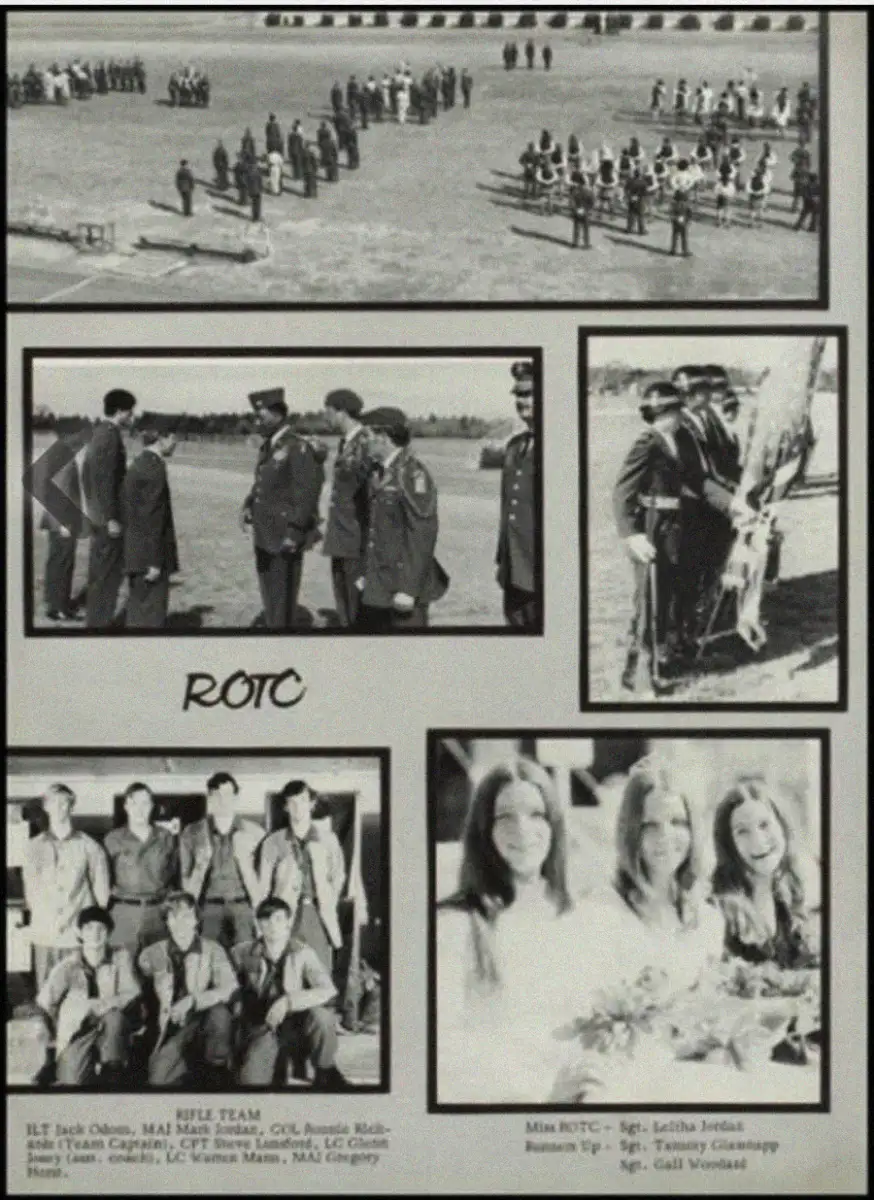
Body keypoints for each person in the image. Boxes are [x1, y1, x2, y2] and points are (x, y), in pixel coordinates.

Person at [435, 758, 614, 1105]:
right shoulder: (455, 924)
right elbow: (444, 1048)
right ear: (484, 830)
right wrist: (541, 1096)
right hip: (508, 1102)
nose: (522, 829)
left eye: (535, 814)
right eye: (505, 817)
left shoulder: (578, 917)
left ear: (554, 824)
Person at [589, 757, 724, 990]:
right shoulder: (603, 912)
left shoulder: (708, 918)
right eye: (650, 824)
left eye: (677, 822)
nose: (665, 835)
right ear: (631, 833)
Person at [612, 382, 688, 694]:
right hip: (652, 527)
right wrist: (632, 534)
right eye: (676, 411)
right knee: (648, 601)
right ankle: (641, 676)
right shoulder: (648, 443)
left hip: (671, 527)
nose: (680, 416)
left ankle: (650, 665)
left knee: (662, 599)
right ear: (665, 413)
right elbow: (622, 493)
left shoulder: (672, 441)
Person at [233, 897, 347, 1088]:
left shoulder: (303, 952)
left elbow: (327, 989)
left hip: (297, 1024)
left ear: (288, 922)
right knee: (250, 1081)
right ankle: (276, 1063)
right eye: (266, 920)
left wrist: (288, 1002)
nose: (272, 925)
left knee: (323, 1018)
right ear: (258, 924)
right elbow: (230, 991)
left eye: (278, 919)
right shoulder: (241, 952)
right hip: (263, 1025)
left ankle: (324, 1069)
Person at [353, 407, 449, 630]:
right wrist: (366, 573)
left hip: (403, 588)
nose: (363, 442)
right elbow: (376, 530)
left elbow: (422, 536)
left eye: (366, 436)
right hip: (380, 581)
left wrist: (408, 590)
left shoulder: (412, 474)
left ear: (384, 437)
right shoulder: (378, 472)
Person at [711, 778, 820, 970]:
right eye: (742, 831)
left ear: (783, 827)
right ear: (730, 844)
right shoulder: (720, 910)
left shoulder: (796, 895)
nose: (758, 841)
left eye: (764, 825)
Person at [240, 387, 324, 629]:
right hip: (265, 533)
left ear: (278, 414)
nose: (258, 421)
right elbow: (265, 484)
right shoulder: (270, 446)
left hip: (284, 536)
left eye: (262, 415)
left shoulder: (297, 447)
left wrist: (295, 533)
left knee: (282, 599)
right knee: (270, 594)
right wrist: (248, 504)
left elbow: (306, 494)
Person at [138, 892, 236, 1087]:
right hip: (173, 1023)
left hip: (203, 1020)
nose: (181, 922)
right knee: (159, 1080)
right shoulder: (151, 954)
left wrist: (193, 1000)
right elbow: (145, 997)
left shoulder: (213, 949)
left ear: (196, 920)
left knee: (220, 1013)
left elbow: (229, 987)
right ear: (166, 921)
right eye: (174, 916)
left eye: (187, 916)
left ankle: (217, 1067)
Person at [35, 906, 140, 1086]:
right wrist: (55, 1033)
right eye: (89, 929)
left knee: (114, 1018)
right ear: (80, 932)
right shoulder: (67, 966)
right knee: (74, 1081)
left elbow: (132, 993)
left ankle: (113, 1072)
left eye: (101, 929)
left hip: (109, 1029)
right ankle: (64, 1064)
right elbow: (45, 1003)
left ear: (108, 934)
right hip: (78, 1031)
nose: (95, 934)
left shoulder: (120, 958)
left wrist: (104, 1004)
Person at [23, 783, 111, 987]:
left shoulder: (89, 846)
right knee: (45, 992)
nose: (60, 808)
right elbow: (32, 893)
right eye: (54, 803)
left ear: (72, 807)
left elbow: (102, 897)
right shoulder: (33, 847)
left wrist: (87, 929)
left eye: (65, 803)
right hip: (45, 935)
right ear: (46, 807)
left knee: (77, 992)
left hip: (76, 937)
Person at [258, 779, 345, 973]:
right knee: (288, 971)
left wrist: (328, 901)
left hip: (317, 915)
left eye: (303, 801)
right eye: (293, 802)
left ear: (312, 804)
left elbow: (338, 877)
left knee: (320, 971)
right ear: (286, 807)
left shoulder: (328, 840)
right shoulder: (273, 842)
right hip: (284, 917)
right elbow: (263, 887)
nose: (299, 807)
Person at [179, 772, 264, 949]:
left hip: (243, 907)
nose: (223, 801)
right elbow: (185, 883)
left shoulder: (255, 833)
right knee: (207, 958)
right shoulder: (192, 833)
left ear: (236, 797)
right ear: (209, 798)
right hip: (208, 908)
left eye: (228, 795)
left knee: (246, 959)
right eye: (216, 795)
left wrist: (259, 913)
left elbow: (263, 882)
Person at [81, 388, 136, 628]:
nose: (131, 416)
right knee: (107, 576)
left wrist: (94, 508)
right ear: (120, 411)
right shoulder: (110, 436)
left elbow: (87, 475)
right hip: (107, 521)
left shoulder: (99, 433)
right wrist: (111, 517)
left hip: (97, 516)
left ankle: (96, 621)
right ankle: (99, 625)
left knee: (99, 574)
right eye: (129, 411)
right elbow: (105, 480)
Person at [104, 782, 180, 955]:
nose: (140, 809)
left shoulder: (165, 837)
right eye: (134, 803)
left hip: (158, 913)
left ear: (152, 806)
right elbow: (103, 879)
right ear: (126, 806)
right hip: (124, 913)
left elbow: (174, 874)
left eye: (145, 803)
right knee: (123, 968)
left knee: (160, 968)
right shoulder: (113, 839)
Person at [321, 389, 371, 627]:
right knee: (344, 604)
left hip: (356, 539)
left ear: (341, 412)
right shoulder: (347, 443)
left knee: (356, 607)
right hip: (343, 536)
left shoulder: (364, 443)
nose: (325, 417)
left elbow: (369, 497)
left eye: (328, 412)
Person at [121, 430, 178, 628]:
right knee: (152, 613)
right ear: (162, 439)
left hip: (135, 551)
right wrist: (154, 561)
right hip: (149, 555)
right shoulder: (155, 468)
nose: (175, 444)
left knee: (138, 607)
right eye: (173, 438)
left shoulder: (139, 463)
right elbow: (153, 517)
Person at [496, 363, 538, 629]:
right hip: (513, 565)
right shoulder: (515, 446)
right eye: (518, 395)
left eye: (529, 394)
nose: (522, 401)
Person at [35, 419, 88, 622]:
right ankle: (60, 608)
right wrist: (65, 522)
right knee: (63, 563)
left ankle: (52, 601)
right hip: (63, 520)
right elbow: (62, 490)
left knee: (55, 561)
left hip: (54, 519)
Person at [668, 187, 692, 256]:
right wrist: (688, 220)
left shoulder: (673, 204)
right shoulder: (687, 204)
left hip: (675, 221)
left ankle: (673, 250)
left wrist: (674, 218)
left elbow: (671, 213)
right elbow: (689, 213)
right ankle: (685, 251)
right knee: (684, 237)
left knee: (675, 236)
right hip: (684, 221)